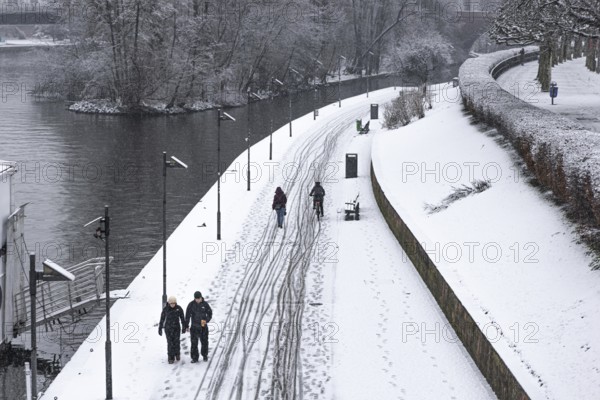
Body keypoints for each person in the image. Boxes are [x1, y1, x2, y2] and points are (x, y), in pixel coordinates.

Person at [185, 291, 213, 362]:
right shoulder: (191, 305)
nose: (197, 300)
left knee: (204, 342)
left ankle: (205, 355)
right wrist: (187, 325)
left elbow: (210, 313)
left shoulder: (205, 304)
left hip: (203, 326)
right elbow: (187, 315)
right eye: (196, 299)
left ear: (201, 297)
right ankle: (194, 358)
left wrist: (206, 320)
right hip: (194, 326)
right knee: (194, 343)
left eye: (199, 298)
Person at [158, 295, 186, 364]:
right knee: (170, 343)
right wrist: (160, 328)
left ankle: (177, 354)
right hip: (168, 328)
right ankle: (171, 357)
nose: (172, 305)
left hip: (176, 328)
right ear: (169, 303)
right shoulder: (166, 309)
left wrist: (184, 326)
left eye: (174, 303)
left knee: (176, 342)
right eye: (171, 303)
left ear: (175, 303)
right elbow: (162, 319)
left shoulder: (179, 309)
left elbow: (182, 318)